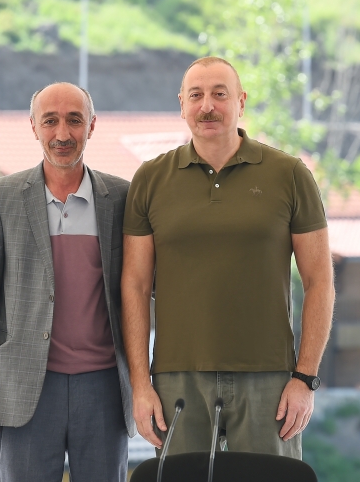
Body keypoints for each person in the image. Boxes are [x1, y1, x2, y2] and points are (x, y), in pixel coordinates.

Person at [121, 57, 334, 459]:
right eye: (196, 95)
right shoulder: (150, 179)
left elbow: (320, 281)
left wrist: (305, 379)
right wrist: (140, 384)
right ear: (182, 104)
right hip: (176, 378)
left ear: (241, 101)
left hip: (269, 379)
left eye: (219, 94)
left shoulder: (290, 174)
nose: (207, 106)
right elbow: (134, 285)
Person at [0, 82, 135, 482]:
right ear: (33, 127)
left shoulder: (123, 197)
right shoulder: (2, 197)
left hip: (105, 389)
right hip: (24, 388)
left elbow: (143, 290)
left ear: (91, 126)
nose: (62, 133)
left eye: (74, 120)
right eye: (50, 121)